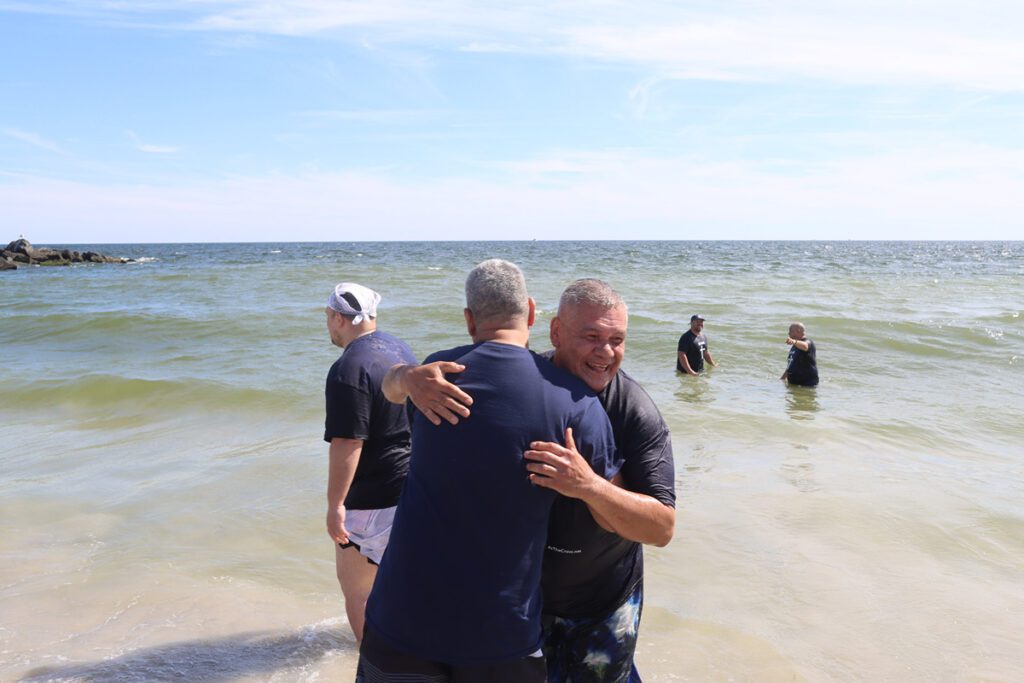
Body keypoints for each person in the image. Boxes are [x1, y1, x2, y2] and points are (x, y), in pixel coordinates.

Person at [394, 279, 676, 682]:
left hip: (602, 602)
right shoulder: (525, 384)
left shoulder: (635, 411)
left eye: (617, 339)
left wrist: (588, 484)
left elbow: (662, 527)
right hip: (524, 604)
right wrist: (407, 378)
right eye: (591, 336)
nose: (606, 352)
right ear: (555, 331)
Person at [358, 260, 621, 682]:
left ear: (468, 320)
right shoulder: (576, 403)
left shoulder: (434, 376)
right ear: (532, 313)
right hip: (501, 638)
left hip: (399, 623)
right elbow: (614, 518)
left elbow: (387, 387)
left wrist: (407, 376)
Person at [323, 282, 416, 642]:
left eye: (328, 318)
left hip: (372, 497)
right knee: (403, 587)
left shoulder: (348, 367)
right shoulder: (398, 348)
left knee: (359, 593)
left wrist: (335, 506)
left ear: (336, 317)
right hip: (411, 486)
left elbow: (348, 441)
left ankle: (377, 668)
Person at [781, 322, 819, 386]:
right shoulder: (795, 346)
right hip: (795, 385)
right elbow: (790, 366)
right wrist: (782, 379)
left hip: (807, 384)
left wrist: (794, 341)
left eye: (790, 331)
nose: (788, 333)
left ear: (798, 331)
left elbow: (805, 346)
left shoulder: (808, 342)